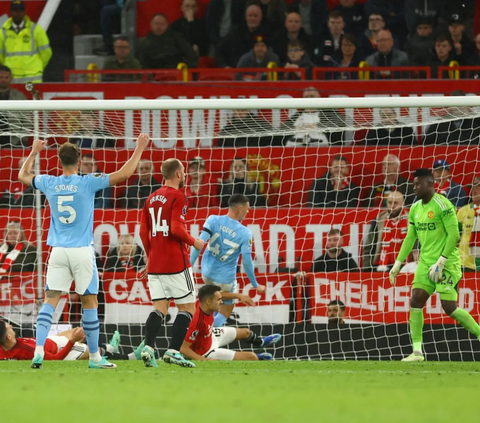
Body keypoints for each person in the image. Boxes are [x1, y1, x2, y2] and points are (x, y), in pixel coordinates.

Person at [17, 133, 150, 369]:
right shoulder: (88, 181)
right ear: (79, 162)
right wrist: (139, 147)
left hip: (57, 250)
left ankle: (38, 351)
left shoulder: (49, 181)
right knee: (90, 302)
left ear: (59, 162)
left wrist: (34, 151)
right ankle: (96, 358)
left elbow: (22, 175)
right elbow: (125, 174)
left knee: (50, 301)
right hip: (81, 251)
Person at [389, 168, 480, 362]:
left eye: (418, 184)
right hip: (425, 262)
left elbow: (454, 235)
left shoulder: (443, 204)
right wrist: (398, 263)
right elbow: (410, 236)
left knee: (449, 307)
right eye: (413, 184)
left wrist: (441, 261)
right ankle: (416, 352)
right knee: (416, 300)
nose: (414, 187)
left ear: (430, 184)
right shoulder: (414, 208)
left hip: (447, 262)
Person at [139, 158, 205, 369]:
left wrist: (150, 256)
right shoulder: (178, 196)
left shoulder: (150, 198)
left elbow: (143, 231)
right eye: (184, 171)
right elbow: (176, 229)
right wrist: (194, 241)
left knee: (160, 307)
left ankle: (148, 348)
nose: (185, 175)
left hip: (156, 263)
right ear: (178, 174)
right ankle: (173, 351)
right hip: (176, 262)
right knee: (188, 308)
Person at [191, 193, 267, 327]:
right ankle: (206, 334)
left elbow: (198, 244)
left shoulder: (213, 219)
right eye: (247, 208)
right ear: (239, 209)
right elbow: (247, 261)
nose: (248, 212)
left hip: (206, 273)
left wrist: (188, 266)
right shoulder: (245, 233)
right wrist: (255, 284)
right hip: (225, 279)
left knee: (211, 305)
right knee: (225, 312)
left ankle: (203, 329)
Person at [180, 284, 280, 361]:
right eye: (219, 300)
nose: (221, 302)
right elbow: (184, 349)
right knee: (251, 356)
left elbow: (222, 295)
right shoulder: (198, 321)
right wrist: (203, 360)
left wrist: (240, 296)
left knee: (246, 332)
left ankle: (261, 343)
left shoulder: (202, 302)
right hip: (206, 352)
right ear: (208, 302)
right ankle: (259, 357)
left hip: (211, 335)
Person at [0, 321, 143, 361]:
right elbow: (56, 359)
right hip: (61, 349)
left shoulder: (4, 349)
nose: (11, 326)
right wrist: (72, 341)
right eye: (8, 327)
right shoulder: (29, 351)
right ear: (8, 337)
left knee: (81, 331)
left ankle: (110, 349)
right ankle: (130, 357)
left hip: (51, 341)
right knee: (94, 352)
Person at [0, 0, 52, 83]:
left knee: (32, 96)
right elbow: (1, 55)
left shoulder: (36, 30)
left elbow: (46, 53)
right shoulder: (3, 31)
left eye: (20, 11)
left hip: (32, 79)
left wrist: (37, 67)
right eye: (15, 11)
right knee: (14, 96)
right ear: (11, 12)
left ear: (24, 12)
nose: (18, 13)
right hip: (11, 78)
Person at [282, 87, 346, 146]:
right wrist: (295, 128)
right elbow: (281, 133)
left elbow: (340, 128)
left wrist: (318, 127)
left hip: (322, 150)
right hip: (293, 150)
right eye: (306, 97)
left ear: (319, 98)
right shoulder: (296, 116)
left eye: (312, 96)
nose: (309, 99)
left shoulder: (329, 114)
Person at [363, 191, 408, 271]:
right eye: (390, 203)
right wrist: (367, 269)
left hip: (405, 267)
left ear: (403, 204)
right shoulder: (378, 220)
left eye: (395, 203)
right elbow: (368, 247)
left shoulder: (411, 221)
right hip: (381, 266)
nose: (392, 206)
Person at [215, 3, 270, 68]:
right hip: (236, 71)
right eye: (250, 16)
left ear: (261, 17)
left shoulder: (267, 33)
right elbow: (219, 50)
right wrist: (225, 66)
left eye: (255, 16)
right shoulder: (235, 32)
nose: (252, 18)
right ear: (246, 17)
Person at [0, 65, 31, 147]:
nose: (3, 80)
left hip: (14, 141)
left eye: (6, 77)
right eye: (1, 77)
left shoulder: (19, 96)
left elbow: (27, 120)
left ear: (11, 78)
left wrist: (23, 139)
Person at [457, 181, 480, 272]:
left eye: (478, 189)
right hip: (464, 263)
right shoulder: (463, 211)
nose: (474, 191)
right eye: (473, 188)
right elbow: (455, 235)